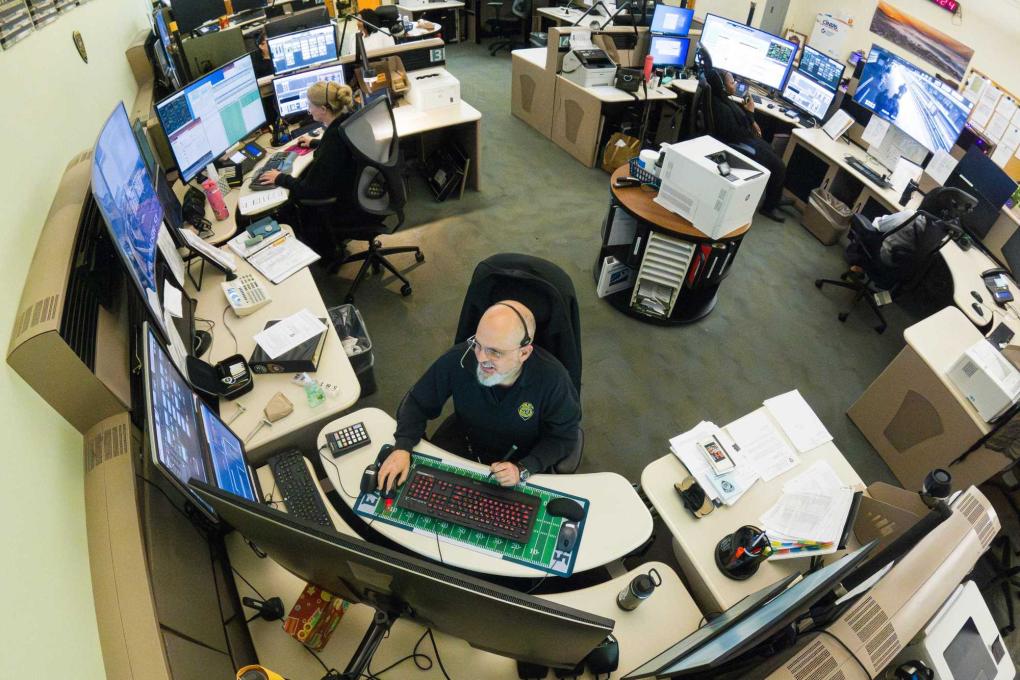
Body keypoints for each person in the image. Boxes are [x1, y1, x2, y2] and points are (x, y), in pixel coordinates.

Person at [377, 301, 581, 491]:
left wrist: (524, 468)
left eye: (495, 352)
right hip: (467, 445)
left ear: (524, 353)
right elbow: (416, 402)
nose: (481, 358)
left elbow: (564, 436)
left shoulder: (553, 379)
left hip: (521, 462)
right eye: (478, 344)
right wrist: (402, 447)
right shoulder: (460, 359)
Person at [256, 81, 358, 255]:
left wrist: (280, 178)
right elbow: (340, 147)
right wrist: (316, 143)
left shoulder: (333, 140)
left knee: (287, 204)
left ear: (324, 110)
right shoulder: (348, 120)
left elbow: (310, 189)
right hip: (353, 187)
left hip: (342, 202)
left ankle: (317, 249)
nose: (308, 110)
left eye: (310, 105)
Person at [705, 69, 791, 222]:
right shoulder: (722, 107)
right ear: (723, 87)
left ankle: (775, 197)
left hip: (743, 138)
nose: (735, 84)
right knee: (778, 166)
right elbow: (735, 133)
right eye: (732, 82)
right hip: (738, 143)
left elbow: (737, 123)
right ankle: (769, 207)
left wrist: (751, 120)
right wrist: (750, 114)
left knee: (772, 152)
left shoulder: (721, 97)